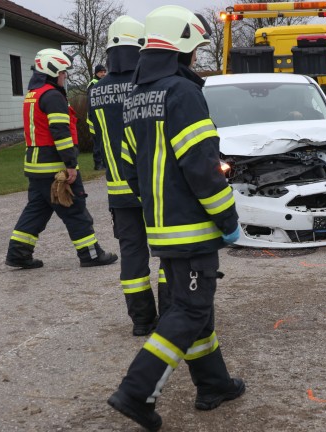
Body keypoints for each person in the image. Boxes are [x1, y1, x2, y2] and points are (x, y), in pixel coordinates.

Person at [107, 6, 245, 430]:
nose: (198, 59)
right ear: (183, 46)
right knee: (188, 310)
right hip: (193, 229)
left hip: (162, 229)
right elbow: (202, 166)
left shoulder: (136, 95)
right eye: (197, 49)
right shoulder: (182, 93)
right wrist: (228, 218)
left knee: (194, 307)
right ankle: (135, 393)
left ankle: (213, 384)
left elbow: (130, 169)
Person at [87, 16, 169, 336]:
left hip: (118, 191)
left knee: (132, 256)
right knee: (166, 251)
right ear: (140, 46)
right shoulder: (146, 86)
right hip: (151, 187)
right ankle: (171, 315)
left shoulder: (96, 92)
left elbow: (96, 134)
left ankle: (141, 321)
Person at [5, 49, 118, 270]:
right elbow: (61, 133)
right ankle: (91, 254)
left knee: (36, 211)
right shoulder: (53, 96)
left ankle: (18, 254)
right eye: (63, 71)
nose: (65, 76)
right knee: (75, 209)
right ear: (53, 70)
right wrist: (71, 165)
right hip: (55, 167)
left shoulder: (33, 94)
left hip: (36, 167)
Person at [88, 64, 107, 170]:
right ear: (96, 73)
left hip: (102, 117)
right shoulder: (93, 84)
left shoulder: (103, 83)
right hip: (93, 118)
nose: (103, 74)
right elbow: (91, 103)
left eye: (104, 72)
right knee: (97, 141)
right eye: (101, 72)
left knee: (103, 141)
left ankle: (104, 163)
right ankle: (97, 164)